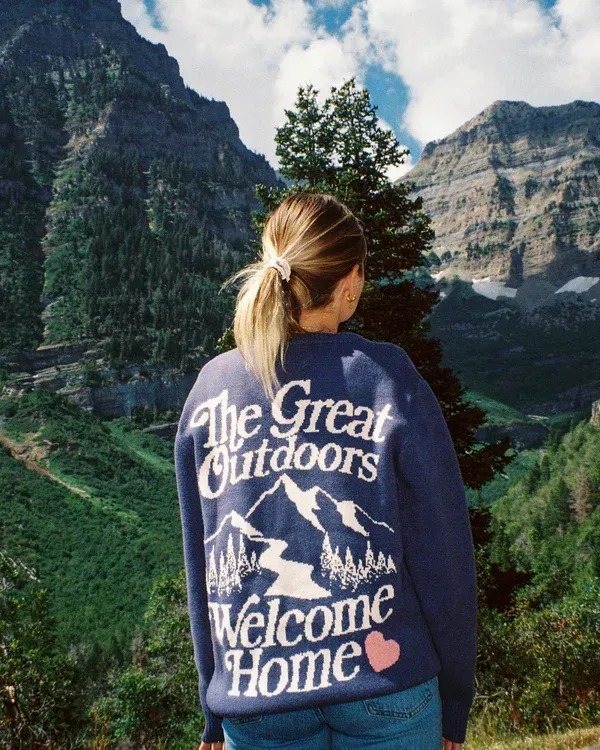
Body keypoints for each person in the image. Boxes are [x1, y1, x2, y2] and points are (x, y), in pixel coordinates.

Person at [174, 193, 478, 750]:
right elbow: (442, 548)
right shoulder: (386, 377)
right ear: (351, 282)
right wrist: (457, 691)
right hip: (386, 685)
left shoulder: (212, 389)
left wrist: (213, 696)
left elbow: (204, 558)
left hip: (254, 694)